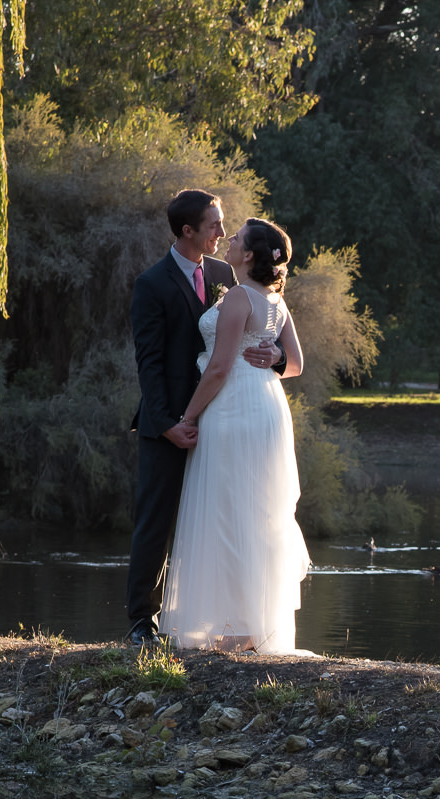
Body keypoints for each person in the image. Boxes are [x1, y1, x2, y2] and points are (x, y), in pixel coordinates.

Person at [126, 189, 285, 646]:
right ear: (187, 231)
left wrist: (273, 357)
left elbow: (245, 342)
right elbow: (149, 363)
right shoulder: (151, 284)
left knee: (219, 515)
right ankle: (142, 622)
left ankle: (227, 620)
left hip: (222, 420)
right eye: (214, 224)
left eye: (223, 224)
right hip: (168, 422)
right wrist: (167, 421)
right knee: (155, 521)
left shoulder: (224, 276)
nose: (221, 231)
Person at [161, 216, 313, 654]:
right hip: (266, 407)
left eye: (237, 239)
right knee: (257, 513)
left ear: (248, 255)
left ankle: (238, 627)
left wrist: (188, 416)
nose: (227, 241)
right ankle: (248, 624)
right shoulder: (275, 300)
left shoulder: (239, 299)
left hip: (233, 410)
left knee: (228, 511)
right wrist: (277, 355)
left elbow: (220, 367)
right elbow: (297, 364)